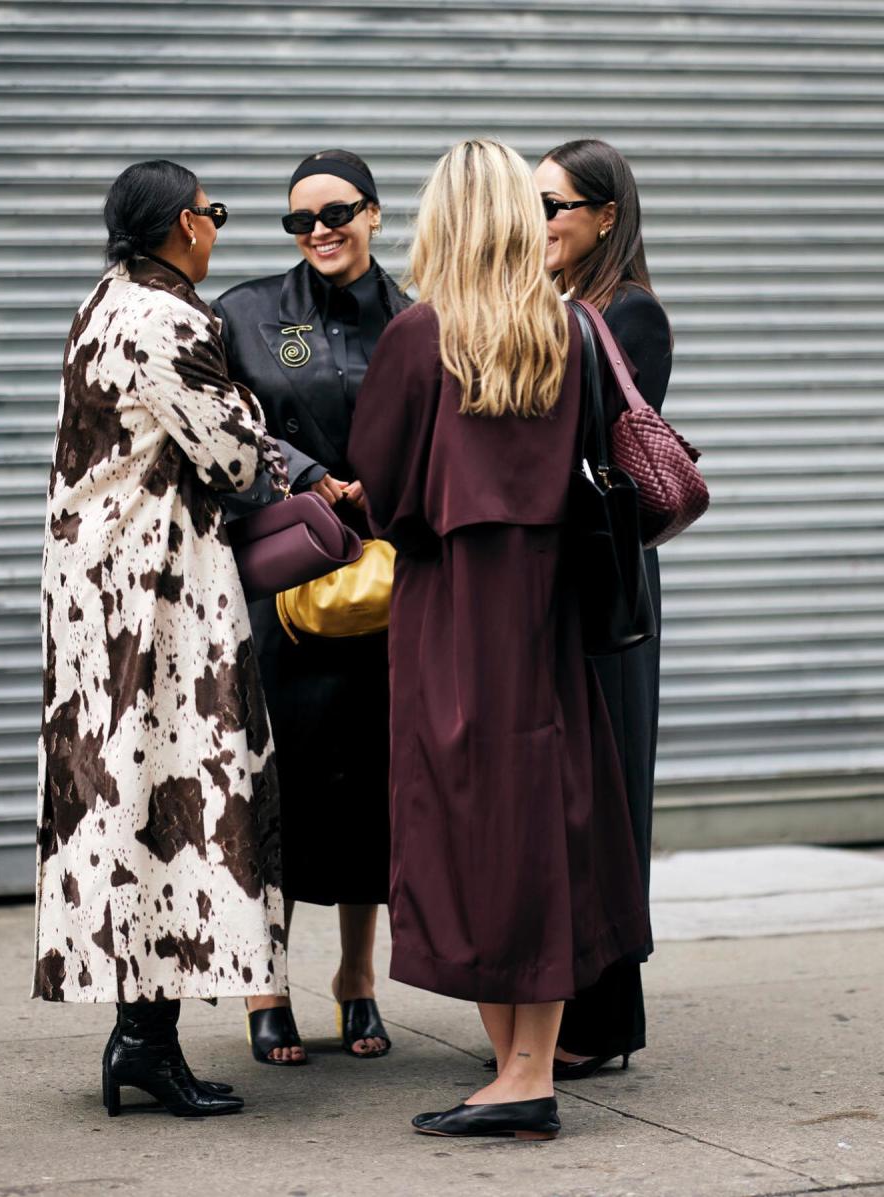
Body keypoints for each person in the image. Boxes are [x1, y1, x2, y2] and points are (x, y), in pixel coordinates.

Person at [348, 139, 650, 1140]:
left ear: (442, 219)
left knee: (466, 824)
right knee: (549, 823)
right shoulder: (570, 329)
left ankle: (519, 1081)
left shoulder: (418, 335)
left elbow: (384, 489)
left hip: (454, 614)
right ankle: (529, 1067)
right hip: (552, 615)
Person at [34, 159, 290, 1117]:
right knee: (176, 806)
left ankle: (144, 1038)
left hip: (92, 596)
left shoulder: (103, 300)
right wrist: (259, 416)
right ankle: (145, 1041)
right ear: (185, 225)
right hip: (158, 603)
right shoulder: (171, 317)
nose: (218, 227)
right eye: (213, 213)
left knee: (126, 805)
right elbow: (229, 455)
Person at [211, 150, 410, 1065]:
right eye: (299, 220)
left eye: (336, 213)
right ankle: (267, 984)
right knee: (272, 786)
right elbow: (218, 421)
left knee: (371, 788)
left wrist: (389, 488)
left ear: (373, 214)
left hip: (377, 594)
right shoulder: (249, 314)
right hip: (278, 591)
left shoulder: (415, 320)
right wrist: (303, 472)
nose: (318, 231)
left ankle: (357, 980)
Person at [532, 138, 673, 1079]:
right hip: (552, 580)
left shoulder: (631, 315)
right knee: (561, 798)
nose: (539, 222)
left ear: (605, 216)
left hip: (605, 578)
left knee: (611, 792)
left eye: (555, 205)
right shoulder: (557, 307)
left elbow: (599, 449)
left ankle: (605, 1016)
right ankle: (564, 1002)